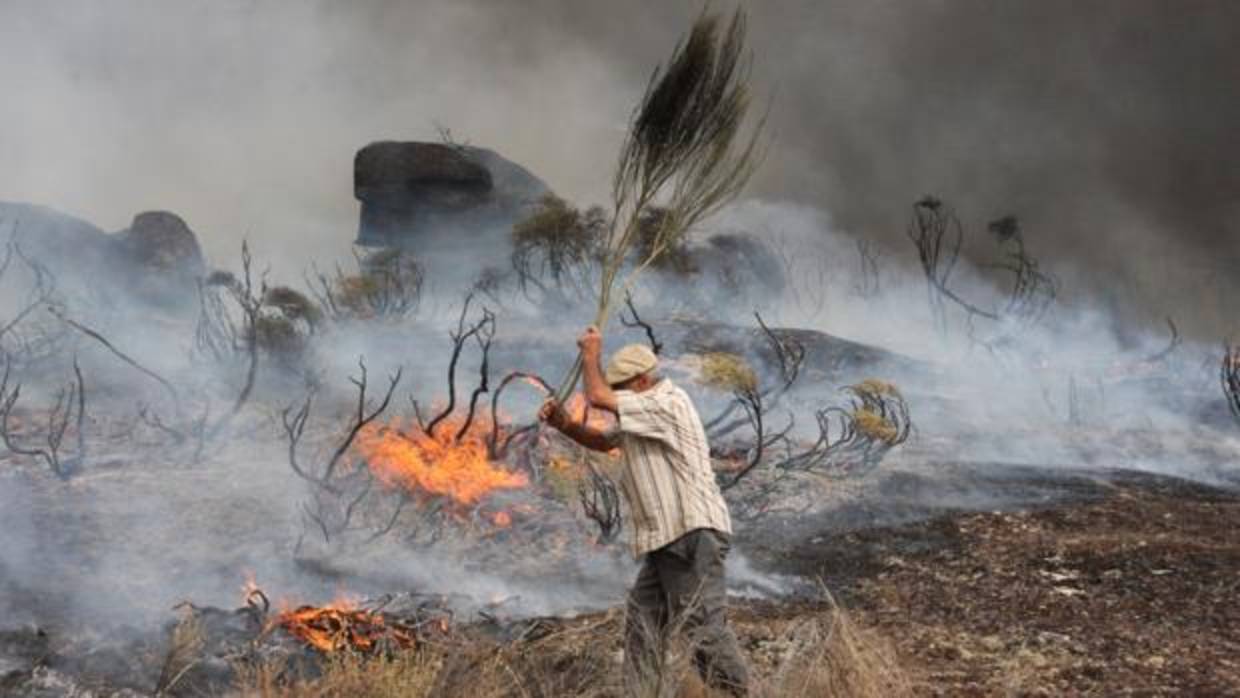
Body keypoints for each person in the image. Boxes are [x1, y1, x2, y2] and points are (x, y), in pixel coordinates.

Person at [539, 326, 750, 695]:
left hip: (690, 533)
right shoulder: (643, 415)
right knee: (643, 621)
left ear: (641, 381)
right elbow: (604, 442)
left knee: (704, 628)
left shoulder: (667, 403)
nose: (617, 396)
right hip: (667, 538)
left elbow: (597, 395)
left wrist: (591, 353)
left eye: (622, 388)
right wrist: (565, 424)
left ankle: (742, 693)